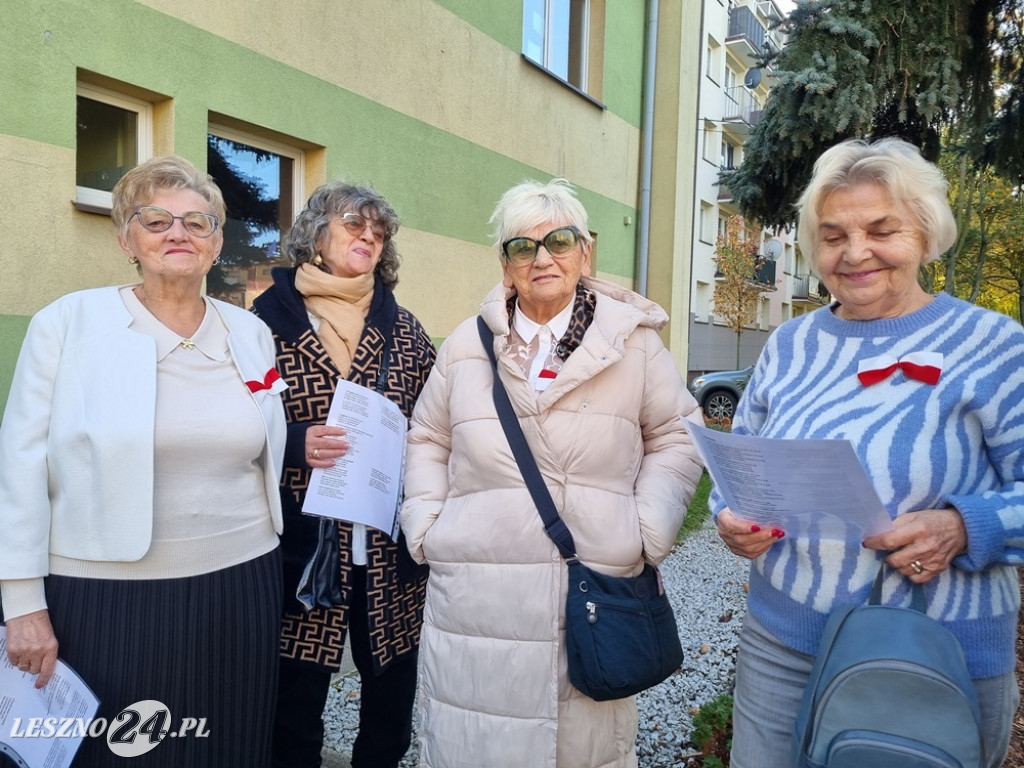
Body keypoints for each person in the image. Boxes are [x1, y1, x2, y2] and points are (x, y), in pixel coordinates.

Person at [714, 137, 1024, 768]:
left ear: (926, 234)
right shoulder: (790, 343)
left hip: (937, 648)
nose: (855, 253)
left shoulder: (993, 344)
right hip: (784, 638)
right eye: (833, 236)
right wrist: (730, 514)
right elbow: (740, 459)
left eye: (882, 230)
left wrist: (967, 526)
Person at [400, 178, 705, 767]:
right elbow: (428, 437)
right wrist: (426, 523)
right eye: (523, 246)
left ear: (584, 252)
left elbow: (677, 437)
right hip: (476, 600)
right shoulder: (467, 345)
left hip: (587, 595)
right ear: (505, 265)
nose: (542, 258)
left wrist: (645, 531)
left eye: (558, 241)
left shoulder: (630, 345)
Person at [0, 155, 287, 767]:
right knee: (119, 754)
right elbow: (20, 463)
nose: (177, 234)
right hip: (104, 594)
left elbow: (258, 444)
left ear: (215, 243)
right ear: (126, 237)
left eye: (196, 222)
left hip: (242, 583)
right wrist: (23, 602)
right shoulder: (68, 324)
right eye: (155, 220)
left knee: (227, 746)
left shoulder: (250, 332)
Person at [251, 181, 436, 768]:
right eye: (354, 224)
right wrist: (290, 442)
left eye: (378, 232)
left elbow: (439, 424)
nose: (369, 237)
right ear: (316, 234)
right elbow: (233, 417)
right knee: (294, 704)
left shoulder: (405, 330)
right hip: (304, 547)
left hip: (388, 547)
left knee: (390, 703)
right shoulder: (265, 323)